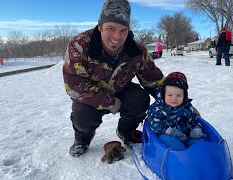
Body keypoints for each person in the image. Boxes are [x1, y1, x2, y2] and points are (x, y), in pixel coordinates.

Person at [62, 0, 164, 157]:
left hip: (121, 90)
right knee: (81, 114)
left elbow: (154, 80)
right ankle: (82, 139)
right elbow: (74, 84)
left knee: (140, 99)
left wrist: (180, 104)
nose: (117, 37)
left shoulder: (138, 51)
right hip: (91, 96)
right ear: (100, 26)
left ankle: (125, 131)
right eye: (111, 28)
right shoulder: (79, 45)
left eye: (123, 30)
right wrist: (108, 102)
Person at [147, 72, 205, 150]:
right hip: (168, 136)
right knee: (167, 140)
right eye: (170, 95)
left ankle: (197, 155)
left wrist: (197, 128)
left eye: (178, 96)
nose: (174, 99)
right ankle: (181, 154)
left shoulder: (187, 107)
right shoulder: (157, 108)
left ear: (184, 96)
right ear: (164, 94)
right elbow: (154, 124)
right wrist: (169, 131)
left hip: (185, 136)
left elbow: (194, 120)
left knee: (200, 143)